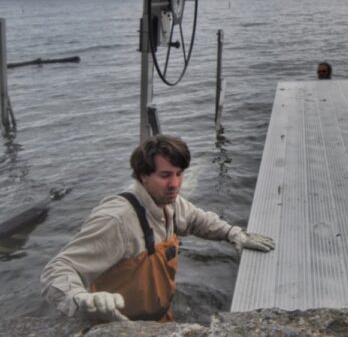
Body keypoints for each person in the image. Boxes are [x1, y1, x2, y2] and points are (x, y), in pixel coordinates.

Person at [40, 134, 274, 322]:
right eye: (165, 175)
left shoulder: (168, 202)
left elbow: (196, 219)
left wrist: (232, 233)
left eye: (179, 174)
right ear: (143, 176)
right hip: (119, 328)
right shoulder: (116, 220)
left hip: (160, 321)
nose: (175, 184)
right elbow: (58, 269)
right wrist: (80, 298)